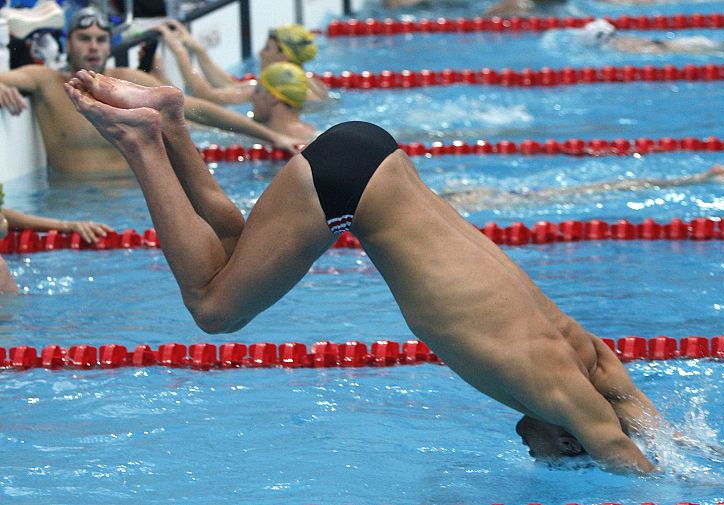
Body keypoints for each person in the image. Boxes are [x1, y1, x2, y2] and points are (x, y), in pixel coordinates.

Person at [65, 69, 664, 474]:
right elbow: (616, 447)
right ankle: (141, 141)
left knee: (231, 256)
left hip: (372, 156)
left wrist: (689, 451)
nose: (528, 449)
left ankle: (171, 121)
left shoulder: (589, 356)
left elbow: (637, 413)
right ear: (567, 440)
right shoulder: (556, 393)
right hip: (353, 188)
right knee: (213, 308)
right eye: (550, 456)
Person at [0, 7, 302, 177]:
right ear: (68, 43)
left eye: (101, 39)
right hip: (78, 214)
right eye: (84, 38)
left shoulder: (127, 81)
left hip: (136, 207)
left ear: (110, 44)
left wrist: (273, 137)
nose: (94, 47)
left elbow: (196, 108)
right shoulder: (45, 82)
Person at [440, 164, 724, 211]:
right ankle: (699, 178)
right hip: (488, 195)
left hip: (499, 198)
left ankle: (700, 178)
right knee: (599, 188)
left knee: (596, 189)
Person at [150, 20, 329, 106]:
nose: (260, 53)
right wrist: (198, 50)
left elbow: (207, 95)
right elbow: (233, 85)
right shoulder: (307, 82)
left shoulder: (274, 89)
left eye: (267, 48)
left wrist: (179, 52)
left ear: (285, 58)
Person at [580, 18, 724, 55]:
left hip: (687, 47)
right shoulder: (624, 38)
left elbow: (654, 49)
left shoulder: (620, 45)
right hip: (686, 43)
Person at [251, 62, 315, 142]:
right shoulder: (314, 138)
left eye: (257, 91)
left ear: (273, 97)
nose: (252, 97)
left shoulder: (254, 139)